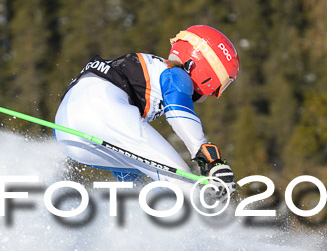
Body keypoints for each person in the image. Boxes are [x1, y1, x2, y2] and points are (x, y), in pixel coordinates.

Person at [54, 25, 238, 194]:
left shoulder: (152, 69)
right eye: (221, 85)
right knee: (181, 180)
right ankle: (209, 226)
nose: (215, 94)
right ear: (207, 71)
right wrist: (211, 159)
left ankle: (137, 221)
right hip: (99, 105)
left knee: (140, 174)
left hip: (67, 132)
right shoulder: (176, 74)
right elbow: (178, 112)